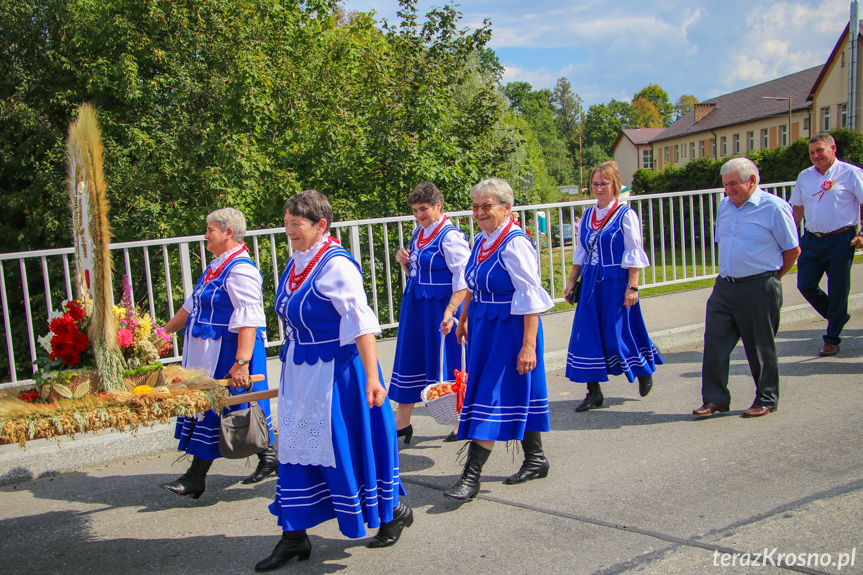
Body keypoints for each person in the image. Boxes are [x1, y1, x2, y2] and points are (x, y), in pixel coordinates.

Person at [256, 190, 410, 572]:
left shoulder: (336, 265)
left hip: (335, 376)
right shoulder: (297, 262)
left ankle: (393, 512)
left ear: (321, 225)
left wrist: (373, 379)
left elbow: (362, 324)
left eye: (297, 224)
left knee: (346, 448)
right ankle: (294, 536)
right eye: (287, 223)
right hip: (300, 373)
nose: (289, 231)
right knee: (293, 448)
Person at [442, 178, 554, 501]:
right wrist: (463, 319)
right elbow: (473, 286)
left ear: (506, 208)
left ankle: (471, 476)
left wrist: (529, 345)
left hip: (512, 329)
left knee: (491, 396)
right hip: (484, 326)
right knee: (518, 391)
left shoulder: (516, 243)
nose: (479, 212)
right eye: (476, 206)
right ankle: (536, 458)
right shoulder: (480, 241)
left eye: (486, 206)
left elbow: (531, 297)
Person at [161, 208, 275, 499]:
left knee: (221, 409)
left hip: (231, 351)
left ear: (228, 233)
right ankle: (270, 456)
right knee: (238, 409)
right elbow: (190, 307)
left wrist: (241, 362)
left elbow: (250, 319)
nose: (205, 235)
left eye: (210, 229)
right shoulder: (216, 266)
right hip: (212, 351)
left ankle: (195, 477)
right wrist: (160, 335)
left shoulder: (241, 269)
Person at [693, 158, 800, 419]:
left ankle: (766, 398)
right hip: (725, 286)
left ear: (752, 180)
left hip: (758, 285)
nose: (728, 190)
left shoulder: (774, 207)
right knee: (715, 343)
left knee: (760, 346)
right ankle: (715, 399)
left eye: (733, 184)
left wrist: (772, 279)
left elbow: (792, 250)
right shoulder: (725, 206)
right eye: (725, 185)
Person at [563, 161, 663, 412]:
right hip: (591, 285)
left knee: (619, 334)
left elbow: (634, 251)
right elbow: (582, 251)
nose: (598, 188)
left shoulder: (624, 214)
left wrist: (633, 286)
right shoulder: (587, 215)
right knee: (587, 335)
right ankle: (594, 391)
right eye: (595, 184)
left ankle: (642, 369)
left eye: (604, 184)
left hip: (616, 282)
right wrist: (572, 281)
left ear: (615, 185)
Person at [391, 182, 470, 444]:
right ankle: (402, 424)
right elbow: (416, 273)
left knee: (448, 362)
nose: (418, 215)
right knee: (410, 360)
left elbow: (463, 279)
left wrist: (451, 311)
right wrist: (404, 261)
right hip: (415, 306)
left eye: (423, 209)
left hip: (439, 309)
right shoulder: (419, 232)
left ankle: (461, 420)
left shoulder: (450, 236)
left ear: (439, 205)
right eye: (415, 210)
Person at [789, 133, 863, 357]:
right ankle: (838, 316)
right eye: (812, 152)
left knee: (838, 289)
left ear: (833, 149)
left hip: (841, 239)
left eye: (820, 150)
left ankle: (832, 339)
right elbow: (798, 209)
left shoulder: (850, 173)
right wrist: (789, 237)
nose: (815, 156)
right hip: (812, 239)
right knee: (806, 284)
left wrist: (862, 233)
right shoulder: (805, 176)